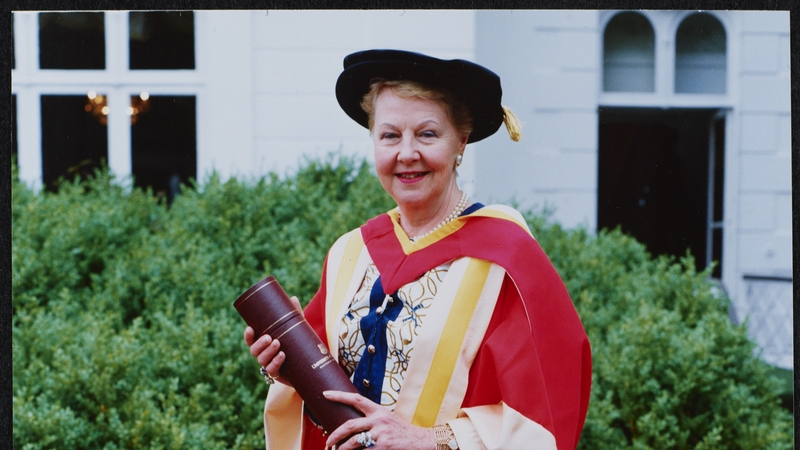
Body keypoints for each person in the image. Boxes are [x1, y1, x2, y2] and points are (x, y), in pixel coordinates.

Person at [244, 49, 592, 450]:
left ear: (461, 141)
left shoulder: (506, 260)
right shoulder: (351, 252)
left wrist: (429, 438)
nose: (406, 154)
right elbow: (330, 389)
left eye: (427, 134)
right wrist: (286, 374)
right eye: (390, 135)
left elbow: (544, 409)